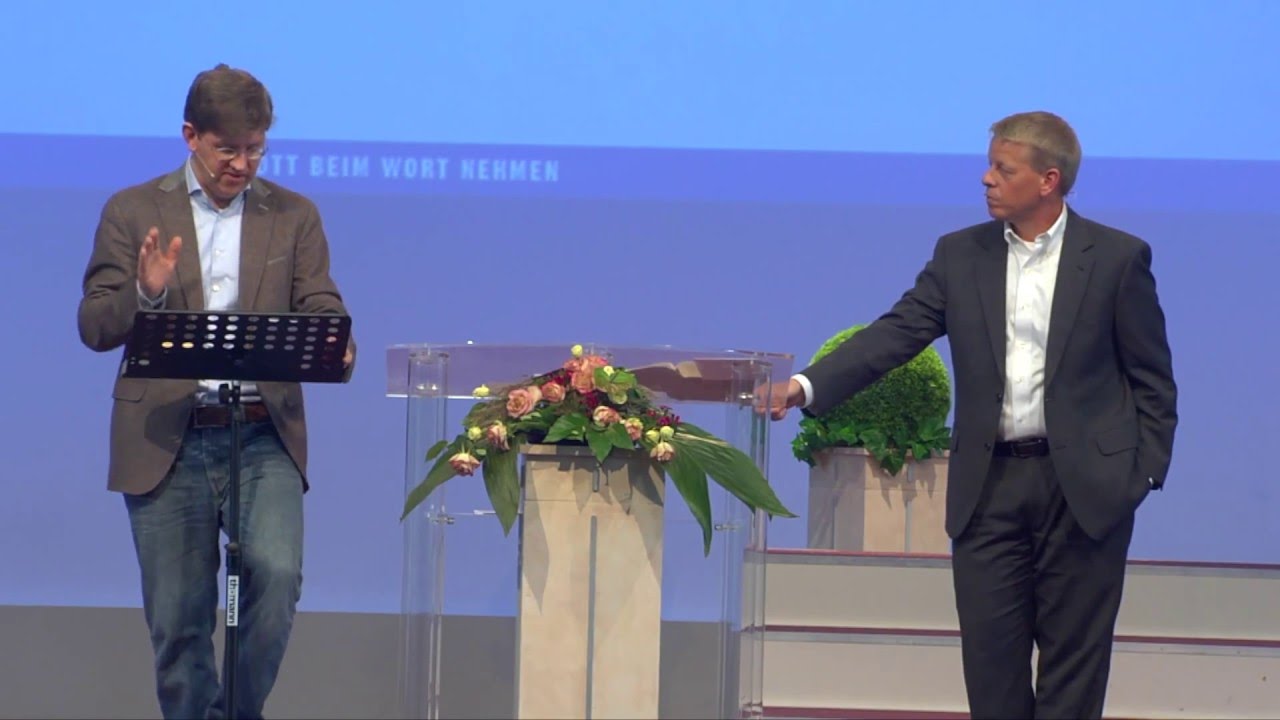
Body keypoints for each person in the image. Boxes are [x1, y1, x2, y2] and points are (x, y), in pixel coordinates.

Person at [764, 111, 1177, 719]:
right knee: (992, 668)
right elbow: (896, 333)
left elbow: (1152, 380)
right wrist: (803, 387)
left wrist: (1139, 477)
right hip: (989, 489)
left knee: (1074, 669)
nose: (986, 179)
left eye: (1003, 169)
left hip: (1086, 492)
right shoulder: (960, 255)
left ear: (1048, 180)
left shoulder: (1116, 258)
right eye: (989, 166)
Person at [77, 64, 355, 720]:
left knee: (277, 578)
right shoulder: (132, 210)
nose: (242, 164)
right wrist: (145, 292)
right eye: (227, 149)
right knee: (178, 621)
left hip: (261, 431)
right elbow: (94, 326)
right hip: (165, 437)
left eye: (255, 149)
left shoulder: (294, 215)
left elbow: (321, 303)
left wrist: (337, 338)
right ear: (190, 137)